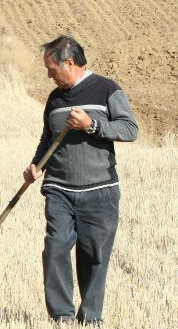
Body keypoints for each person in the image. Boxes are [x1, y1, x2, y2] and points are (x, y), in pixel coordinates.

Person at [24, 36, 138, 325]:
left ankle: (90, 317)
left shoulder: (107, 89)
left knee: (94, 256)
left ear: (70, 63)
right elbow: (47, 139)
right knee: (55, 248)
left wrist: (92, 125)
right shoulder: (55, 98)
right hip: (59, 188)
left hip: (100, 189)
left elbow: (129, 129)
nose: (48, 74)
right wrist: (37, 165)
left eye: (51, 68)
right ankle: (62, 315)